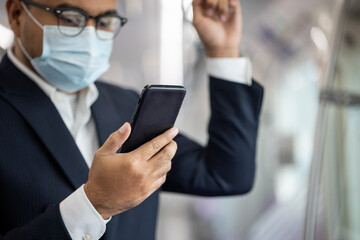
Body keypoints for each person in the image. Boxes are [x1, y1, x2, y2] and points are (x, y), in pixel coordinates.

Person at [0, 0, 263, 239]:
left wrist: (224, 50)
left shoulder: (124, 106)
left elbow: (226, 173)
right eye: (71, 17)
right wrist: (93, 204)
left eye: (104, 22)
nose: (91, 34)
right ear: (16, 14)